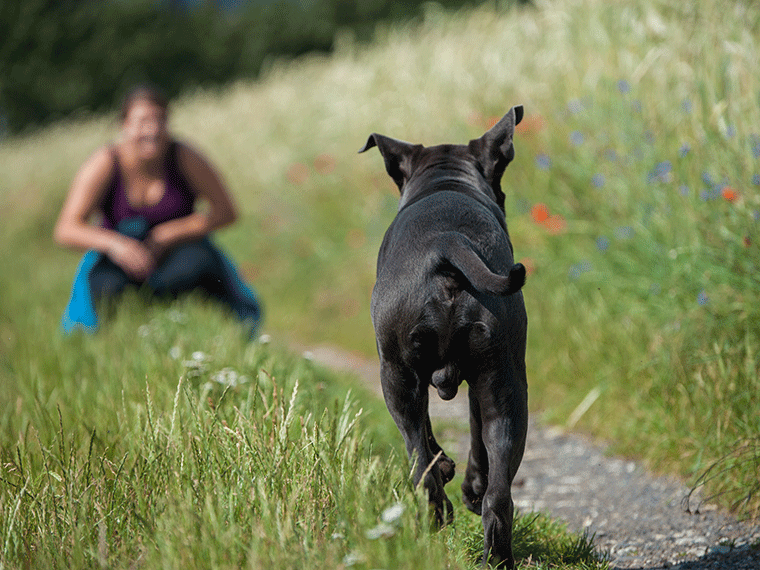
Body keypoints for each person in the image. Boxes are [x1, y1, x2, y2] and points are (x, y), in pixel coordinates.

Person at [55, 85, 262, 337]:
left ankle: (232, 334)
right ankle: (113, 342)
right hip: (120, 260)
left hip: (178, 257)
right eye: (142, 121)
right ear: (125, 126)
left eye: (159, 120)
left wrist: (170, 233)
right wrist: (116, 245)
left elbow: (226, 212)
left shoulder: (185, 157)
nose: (152, 130)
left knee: (203, 263)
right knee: (104, 285)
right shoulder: (104, 163)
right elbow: (66, 229)